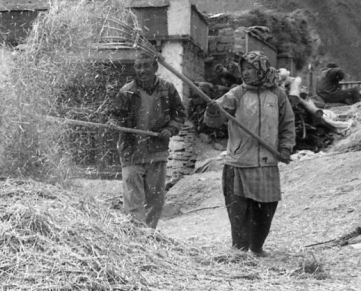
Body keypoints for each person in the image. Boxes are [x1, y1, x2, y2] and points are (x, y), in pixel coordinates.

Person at [204, 51, 296, 257]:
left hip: (267, 164)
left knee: (265, 211)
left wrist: (285, 148)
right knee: (239, 213)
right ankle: (239, 251)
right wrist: (212, 111)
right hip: (239, 163)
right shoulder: (236, 94)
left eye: (251, 69)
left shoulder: (278, 95)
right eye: (243, 69)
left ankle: (257, 248)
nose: (246, 73)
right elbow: (213, 121)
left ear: (262, 70)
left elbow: (287, 124)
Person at [108, 51, 186, 228]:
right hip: (131, 152)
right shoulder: (126, 92)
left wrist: (170, 129)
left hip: (156, 152)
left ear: (155, 67)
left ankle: (149, 236)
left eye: (146, 65)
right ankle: (136, 238)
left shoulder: (168, 89)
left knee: (155, 200)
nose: (142, 70)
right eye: (138, 66)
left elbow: (180, 114)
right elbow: (114, 115)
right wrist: (114, 123)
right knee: (133, 202)